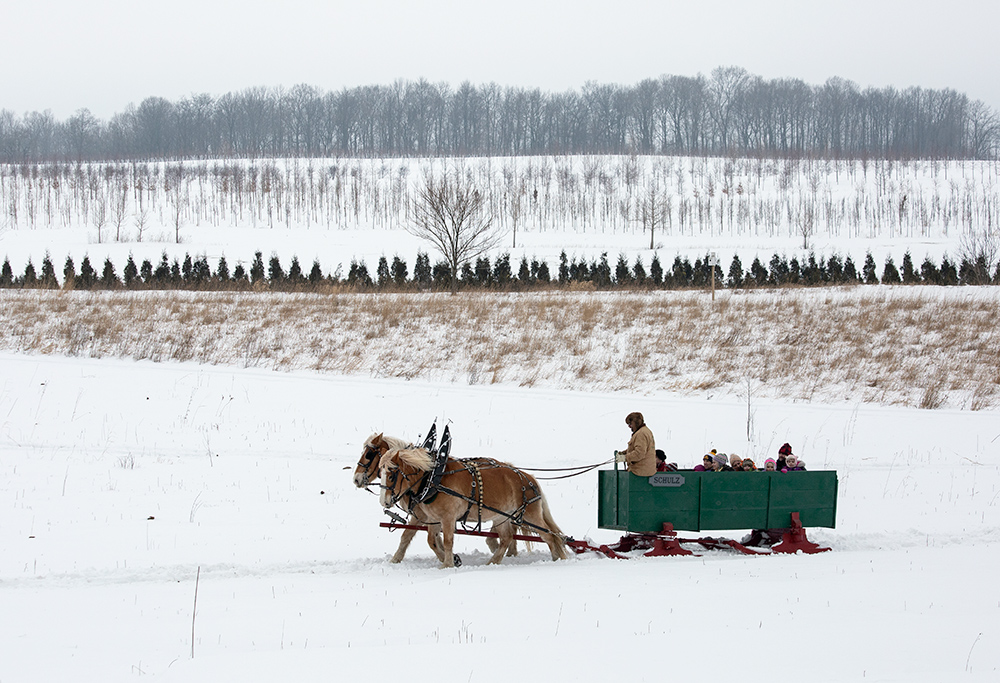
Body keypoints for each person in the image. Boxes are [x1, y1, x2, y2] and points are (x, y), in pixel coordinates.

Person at [614, 412, 656, 476]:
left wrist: (625, 458)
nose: (629, 426)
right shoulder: (645, 431)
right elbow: (638, 448)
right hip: (645, 471)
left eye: (630, 424)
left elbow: (639, 453)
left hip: (639, 472)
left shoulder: (641, 434)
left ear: (635, 423)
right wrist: (624, 453)